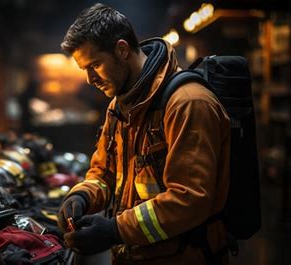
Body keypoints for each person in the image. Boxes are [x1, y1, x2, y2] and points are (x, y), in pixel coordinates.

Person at [57, 3, 230, 265]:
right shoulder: (120, 105)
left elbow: (189, 199)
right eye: (85, 70)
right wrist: (82, 196)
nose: (90, 79)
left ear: (122, 49)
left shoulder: (188, 103)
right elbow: (104, 172)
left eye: (95, 65)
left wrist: (116, 230)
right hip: (134, 255)